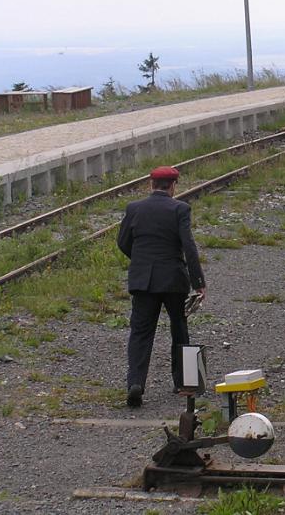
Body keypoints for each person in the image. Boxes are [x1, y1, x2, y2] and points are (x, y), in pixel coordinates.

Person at [118, 166, 205, 408]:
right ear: (173, 186)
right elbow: (189, 246)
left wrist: (141, 261)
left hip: (143, 280)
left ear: (151, 185)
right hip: (173, 280)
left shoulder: (134, 209)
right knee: (179, 328)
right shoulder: (180, 209)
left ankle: (135, 383)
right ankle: (184, 383)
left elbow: (123, 242)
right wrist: (199, 283)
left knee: (140, 332)